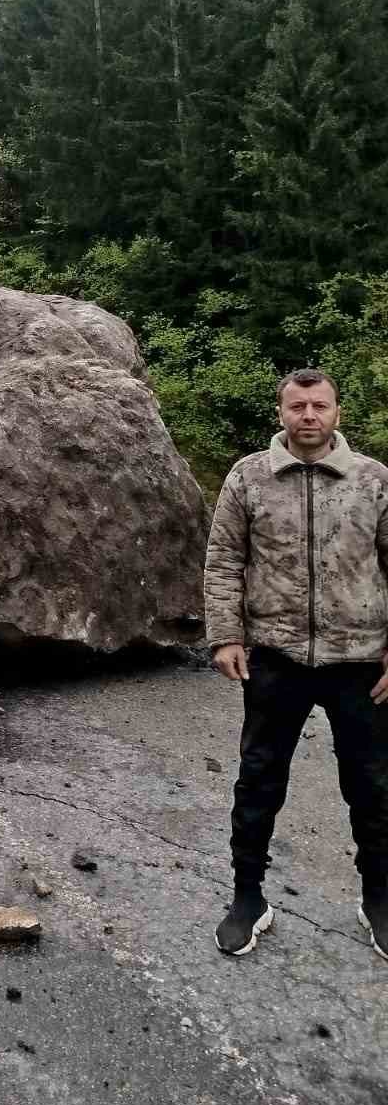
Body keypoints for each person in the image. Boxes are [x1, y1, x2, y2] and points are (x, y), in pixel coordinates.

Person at [204, 368, 388, 958]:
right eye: (297, 407)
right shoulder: (249, 477)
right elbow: (225, 559)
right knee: (258, 779)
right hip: (275, 657)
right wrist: (225, 635)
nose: (309, 416)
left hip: (359, 659)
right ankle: (247, 898)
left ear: (337, 412)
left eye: (320, 407)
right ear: (281, 413)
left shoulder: (374, 480)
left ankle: (379, 898)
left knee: (373, 786)